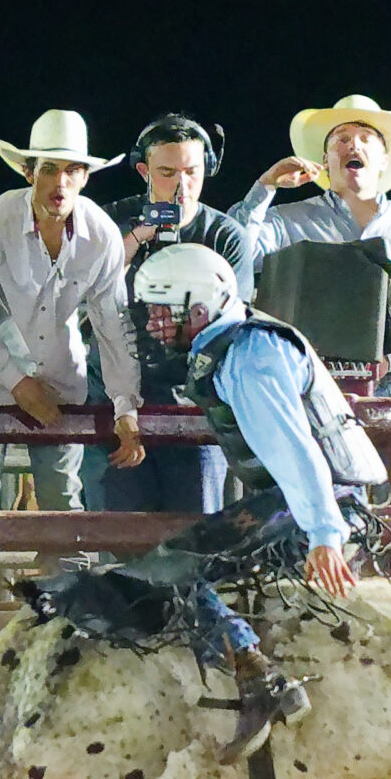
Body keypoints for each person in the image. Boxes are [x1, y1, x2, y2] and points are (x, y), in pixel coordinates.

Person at [26, 243, 382, 757]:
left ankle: (259, 679)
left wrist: (325, 534)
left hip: (319, 505)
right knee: (174, 563)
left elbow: (294, 448)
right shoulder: (244, 341)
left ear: (199, 307)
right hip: (318, 500)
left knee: (172, 568)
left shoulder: (249, 358)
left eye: (162, 311)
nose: (153, 324)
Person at [0, 111, 144, 602]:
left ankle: (62, 614)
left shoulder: (99, 236)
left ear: (84, 176)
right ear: (29, 172)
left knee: (61, 499)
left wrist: (126, 407)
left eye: (72, 171)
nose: (61, 182)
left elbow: (113, 325)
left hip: (58, 373)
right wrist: (17, 382)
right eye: (50, 169)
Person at [226, 95, 391, 395]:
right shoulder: (285, 222)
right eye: (341, 139)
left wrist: (388, 362)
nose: (353, 146)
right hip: (299, 391)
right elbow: (234, 257)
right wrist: (266, 186)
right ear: (325, 161)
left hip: (386, 389)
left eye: (365, 138)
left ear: (384, 159)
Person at [101, 115, 243, 515]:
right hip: (118, 395)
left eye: (191, 172)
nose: (181, 185)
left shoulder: (225, 234)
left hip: (195, 402)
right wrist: (137, 237)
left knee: (196, 527)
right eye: (167, 173)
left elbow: (234, 322)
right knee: (121, 532)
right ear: (144, 171)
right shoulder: (111, 221)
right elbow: (86, 292)